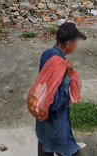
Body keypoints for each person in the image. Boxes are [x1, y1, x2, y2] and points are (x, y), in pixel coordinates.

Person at [36, 22, 86, 156]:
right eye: (76, 42)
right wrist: (68, 76)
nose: (77, 45)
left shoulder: (46, 54)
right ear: (69, 44)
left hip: (43, 123)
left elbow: (46, 88)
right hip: (57, 127)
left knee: (44, 148)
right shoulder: (59, 65)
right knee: (71, 152)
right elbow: (56, 103)